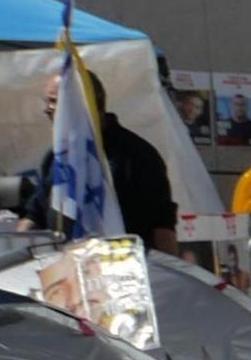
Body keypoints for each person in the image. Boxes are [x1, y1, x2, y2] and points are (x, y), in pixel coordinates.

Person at [41, 64, 180, 255]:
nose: (47, 110)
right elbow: (34, 215)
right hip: (64, 272)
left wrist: (170, 276)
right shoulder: (55, 157)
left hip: (124, 270)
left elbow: (162, 225)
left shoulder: (138, 156)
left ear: (82, 104)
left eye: (54, 102)